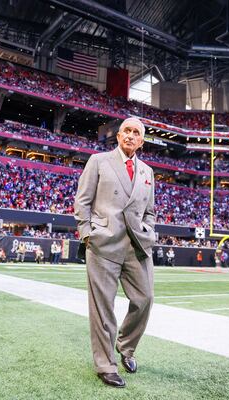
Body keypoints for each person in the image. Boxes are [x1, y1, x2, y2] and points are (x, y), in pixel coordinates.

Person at [74, 117, 155, 388]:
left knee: (144, 299)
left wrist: (149, 231)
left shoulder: (147, 171)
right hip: (104, 243)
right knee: (102, 307)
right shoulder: (98, 161)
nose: (131, 136)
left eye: (136, 133)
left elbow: (150, 211)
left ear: (142, 141)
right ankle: (106, 365)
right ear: (118, 136)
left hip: (137, 245)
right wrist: (88, 234)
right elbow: (82, 200)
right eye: (127, 131)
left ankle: (126, 346)